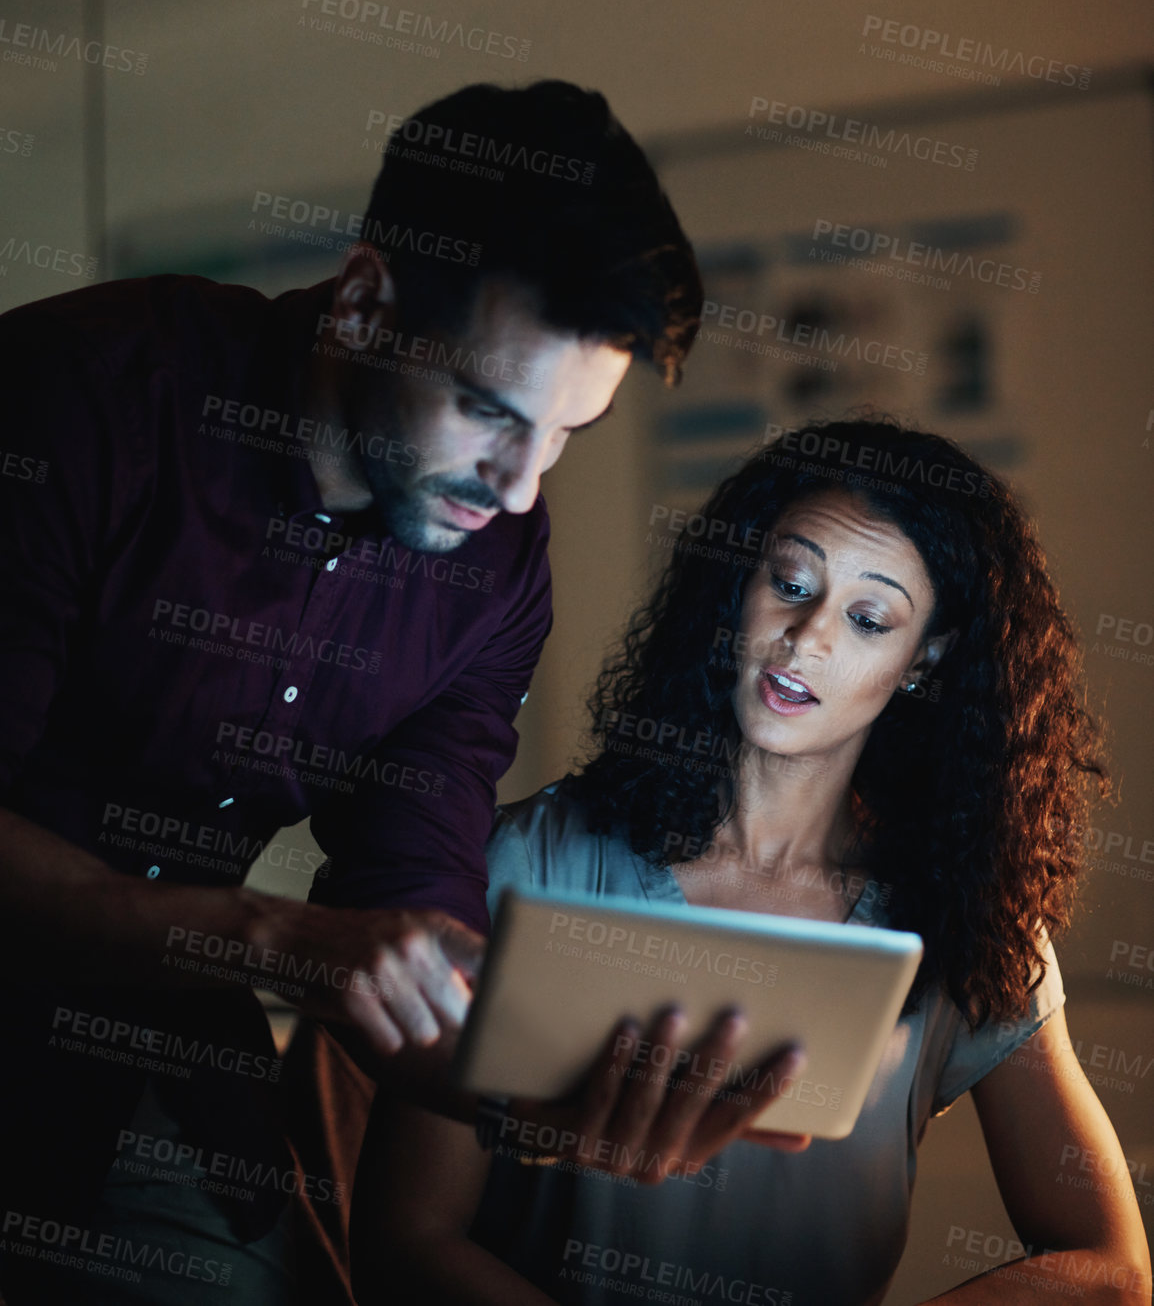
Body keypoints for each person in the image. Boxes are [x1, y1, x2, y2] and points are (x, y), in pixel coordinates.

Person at [0, 78, 758, 1305]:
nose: (517, 489)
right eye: (487, 412)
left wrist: (543, 1086)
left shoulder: (497, 572)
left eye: (566, 433)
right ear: (363, 305)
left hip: (148, 1028)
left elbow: (410, 898)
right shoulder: (79, 396)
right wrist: (280, 939)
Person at [350, 418, 1153, 1306]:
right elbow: (405, 1239)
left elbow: (1110, 1269)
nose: (805, 637)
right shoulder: (533, 859)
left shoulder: (969, 918)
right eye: (791, 582)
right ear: (738, 588)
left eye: (867, 617)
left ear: (924, 659)